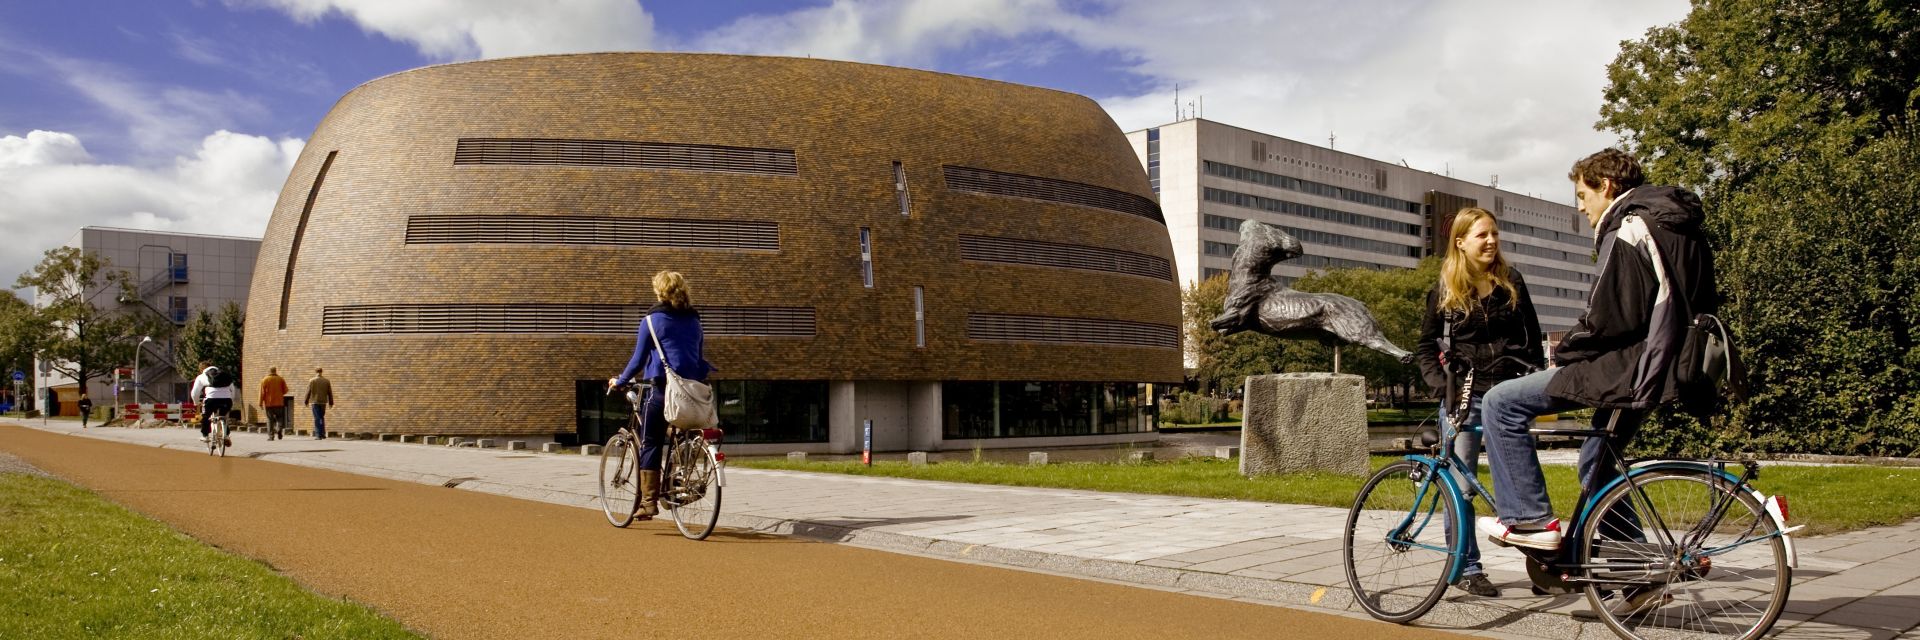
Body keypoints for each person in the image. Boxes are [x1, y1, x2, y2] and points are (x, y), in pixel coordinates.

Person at [1475, 148, 1718, 558]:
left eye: (1583, 197)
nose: (1582, 209)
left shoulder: (1630, 225)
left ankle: (1527, 519)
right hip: (1672, 361)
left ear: (1605, 186)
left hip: (1633, 363)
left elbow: (1608, 315)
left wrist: (1567, 349)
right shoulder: (1677, 224)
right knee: (1596, 464)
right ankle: (1634, 571)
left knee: (1501, 403)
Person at [1412, 207, 1544, 598]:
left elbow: (1534, 341)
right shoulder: (1444, 289)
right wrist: (1441, 387)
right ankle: (1467, 567)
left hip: (1511, 395)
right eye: (1482, 235)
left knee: (1521, 485)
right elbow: (1424, 347)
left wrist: (1533, 380)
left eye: (1494, 234)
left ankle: (1542, 567)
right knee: (1461, 487)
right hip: (1465, 398)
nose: (1491, 241)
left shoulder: (1511, 281)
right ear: (1461, 242)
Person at [608, 271, 712, 520]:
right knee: (676, 430)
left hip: (664, 389)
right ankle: (678, 478)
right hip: (694, 390)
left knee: (650, 441)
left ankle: (648, 502)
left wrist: (620, 381)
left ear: (659, 292)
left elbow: (638, 360)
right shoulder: (694, 320)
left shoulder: (652, 321)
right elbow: (697, 357)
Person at [190, 363, 237, 445]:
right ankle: (225, 435)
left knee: (206, 416)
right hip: (226, 400)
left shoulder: (202, 376)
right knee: (224, 417)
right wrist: (231, 400)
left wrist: (196, 402)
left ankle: (205, 435)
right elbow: (232, 389)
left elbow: (194, 393)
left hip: (211, 400)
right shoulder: (224, 374)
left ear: (202, 369)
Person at [304, 368, 334, 440]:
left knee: (317, 418)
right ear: (321, 372)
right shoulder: (326, 381)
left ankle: (318, 435)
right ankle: (322, 433)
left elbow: (308, 391)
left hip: (315, 401)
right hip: (323, 402)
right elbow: (330, 392)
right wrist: (331, 402)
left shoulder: (312, 380)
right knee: (321, 417)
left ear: (315, 372)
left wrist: (306, 401)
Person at [259, 367, 289, 440]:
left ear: (269, 371)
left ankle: (271, 436)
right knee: (280, 418)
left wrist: (260, 403)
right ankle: (279, 429)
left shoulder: (265, 380)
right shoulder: (280, 379)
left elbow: (262, 393)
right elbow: (286, 390)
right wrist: (279, 393)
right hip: (279, 402)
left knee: (270, 420)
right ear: (276, 371)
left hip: (269, 403)